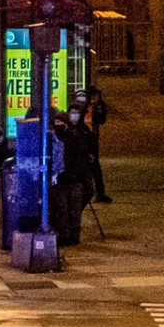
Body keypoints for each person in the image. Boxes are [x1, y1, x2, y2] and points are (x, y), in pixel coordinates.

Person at [55, 105, 98, 246]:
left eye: (60, 122)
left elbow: (83, 156)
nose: (58, 125)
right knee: (62, 209)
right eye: (56, 122)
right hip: (61, 180)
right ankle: (64, 235)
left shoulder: (77, 136)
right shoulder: (55, 139)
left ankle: (73, 235)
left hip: (74, 179)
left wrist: (81, 174)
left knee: (74, 209)